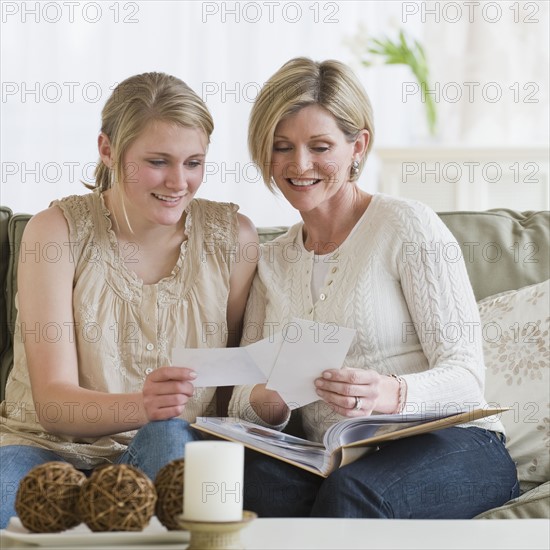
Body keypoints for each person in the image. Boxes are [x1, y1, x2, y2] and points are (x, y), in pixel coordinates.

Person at [229, 57, 519, 518]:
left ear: (357, 145)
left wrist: (388, 392)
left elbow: (467, 377)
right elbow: (244, 397)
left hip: (451, 443)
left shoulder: (406, 225)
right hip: (336, 457)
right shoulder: (274, 260)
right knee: (235, 477)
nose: (299, 165)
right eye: (281, 147)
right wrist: (270, 399)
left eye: (319, 146)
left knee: (355, 494)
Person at [0, 72, 258, 528]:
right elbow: (53, 406)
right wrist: (142, 405)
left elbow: (229, 389)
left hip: (163, 444)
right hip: (44, 449)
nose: (179, 182)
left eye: (194, 162)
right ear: (107, 150)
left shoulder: (232, 239)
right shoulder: (56, 232)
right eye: (158, 161)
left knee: (169, 438)